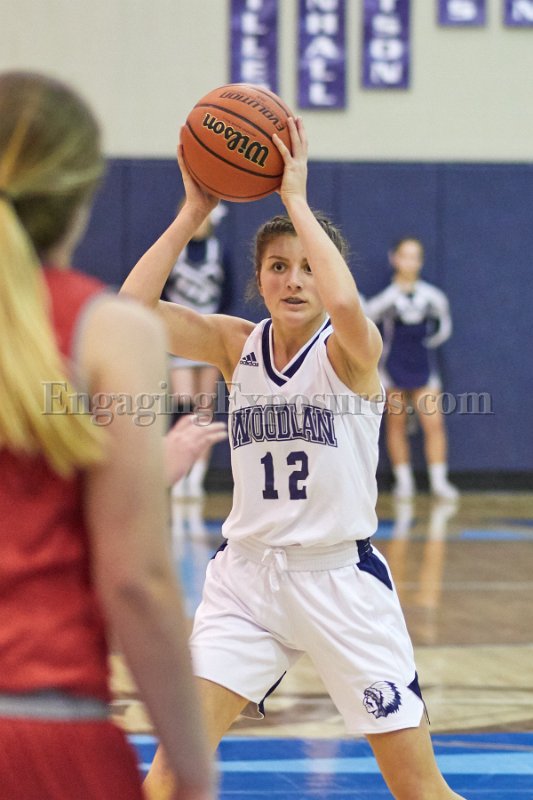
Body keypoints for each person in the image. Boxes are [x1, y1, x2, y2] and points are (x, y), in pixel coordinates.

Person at [121, 116, 466, 800]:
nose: (294, 280)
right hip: (245, 582)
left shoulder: (350, 353)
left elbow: (345, 303)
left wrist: (295, 200)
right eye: (278, 266)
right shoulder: (235, 345)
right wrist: (192, 213)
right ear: (258, 278)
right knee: (169, 775)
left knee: (418, 790)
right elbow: (130, 310)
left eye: (308, 266)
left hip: (338, 582)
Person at [0, 71, 214, 800]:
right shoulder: (105, 332)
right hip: (43, 724)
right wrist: (192, 768)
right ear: (82, 196)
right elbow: (136, 582)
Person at [365, 238, 459, 500]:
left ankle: (439, 481)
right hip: (392, 368)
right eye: (404, 256)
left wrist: (428, 343)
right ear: (394, 259)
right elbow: (366, 324)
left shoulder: (433, 297)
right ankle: (404, 481)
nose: (409, 262)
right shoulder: (385, 299)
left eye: (415, 256)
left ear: (421, 261)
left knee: (434, 423)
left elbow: (443, 329)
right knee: (396, 424)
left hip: (424, 368)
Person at [162, 205, 230, 499]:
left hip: (208, 337)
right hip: (178, 339)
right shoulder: (172, 251)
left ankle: (197, 478)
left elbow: (227, 294)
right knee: (184, 403)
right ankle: (178, 473)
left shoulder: (219, 251)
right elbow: (159, 294)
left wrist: (213, 328)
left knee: (205, 408)